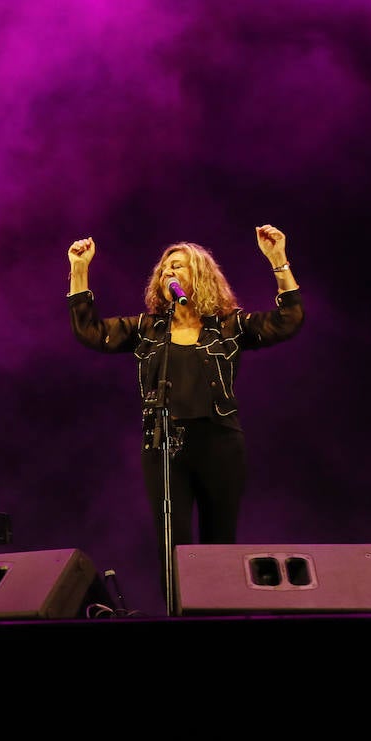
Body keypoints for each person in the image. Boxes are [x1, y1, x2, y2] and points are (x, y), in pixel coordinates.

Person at [67, 224, 304, 613]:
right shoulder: (146, 330)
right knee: (171, 543)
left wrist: (278, 260)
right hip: (163, 447)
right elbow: (91, 332)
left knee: (219, 543)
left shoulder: (230, 326)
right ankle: (178, 618)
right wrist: (79, 270)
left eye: (178, 267)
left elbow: (288, 320)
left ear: (200, 276)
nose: (168, 273)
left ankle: (219, 615)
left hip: (220, 444)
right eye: (164, 269)